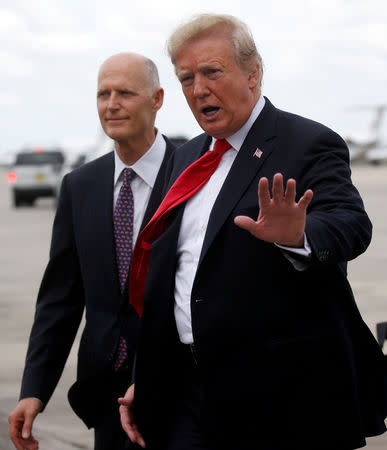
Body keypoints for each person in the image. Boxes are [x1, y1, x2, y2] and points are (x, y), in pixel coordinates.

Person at [119, 14, 387, 450]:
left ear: (253, 73)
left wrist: (297, 234)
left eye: (212, 71)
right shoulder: (185, 157)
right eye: (186, 78)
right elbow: (171, 278)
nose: (198, 88)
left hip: (279, 399)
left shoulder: (306, 142)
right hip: (188, 393)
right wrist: (145, 377)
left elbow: (351, 226)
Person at [8, 52, 176, 450]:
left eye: (125, 93)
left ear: (157, 99)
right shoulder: (79, 186)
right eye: (103, 93)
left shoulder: (191, 174)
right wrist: (35, 389)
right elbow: (60, 299)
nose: (111, 104)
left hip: (177, 387)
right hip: (105, 391)